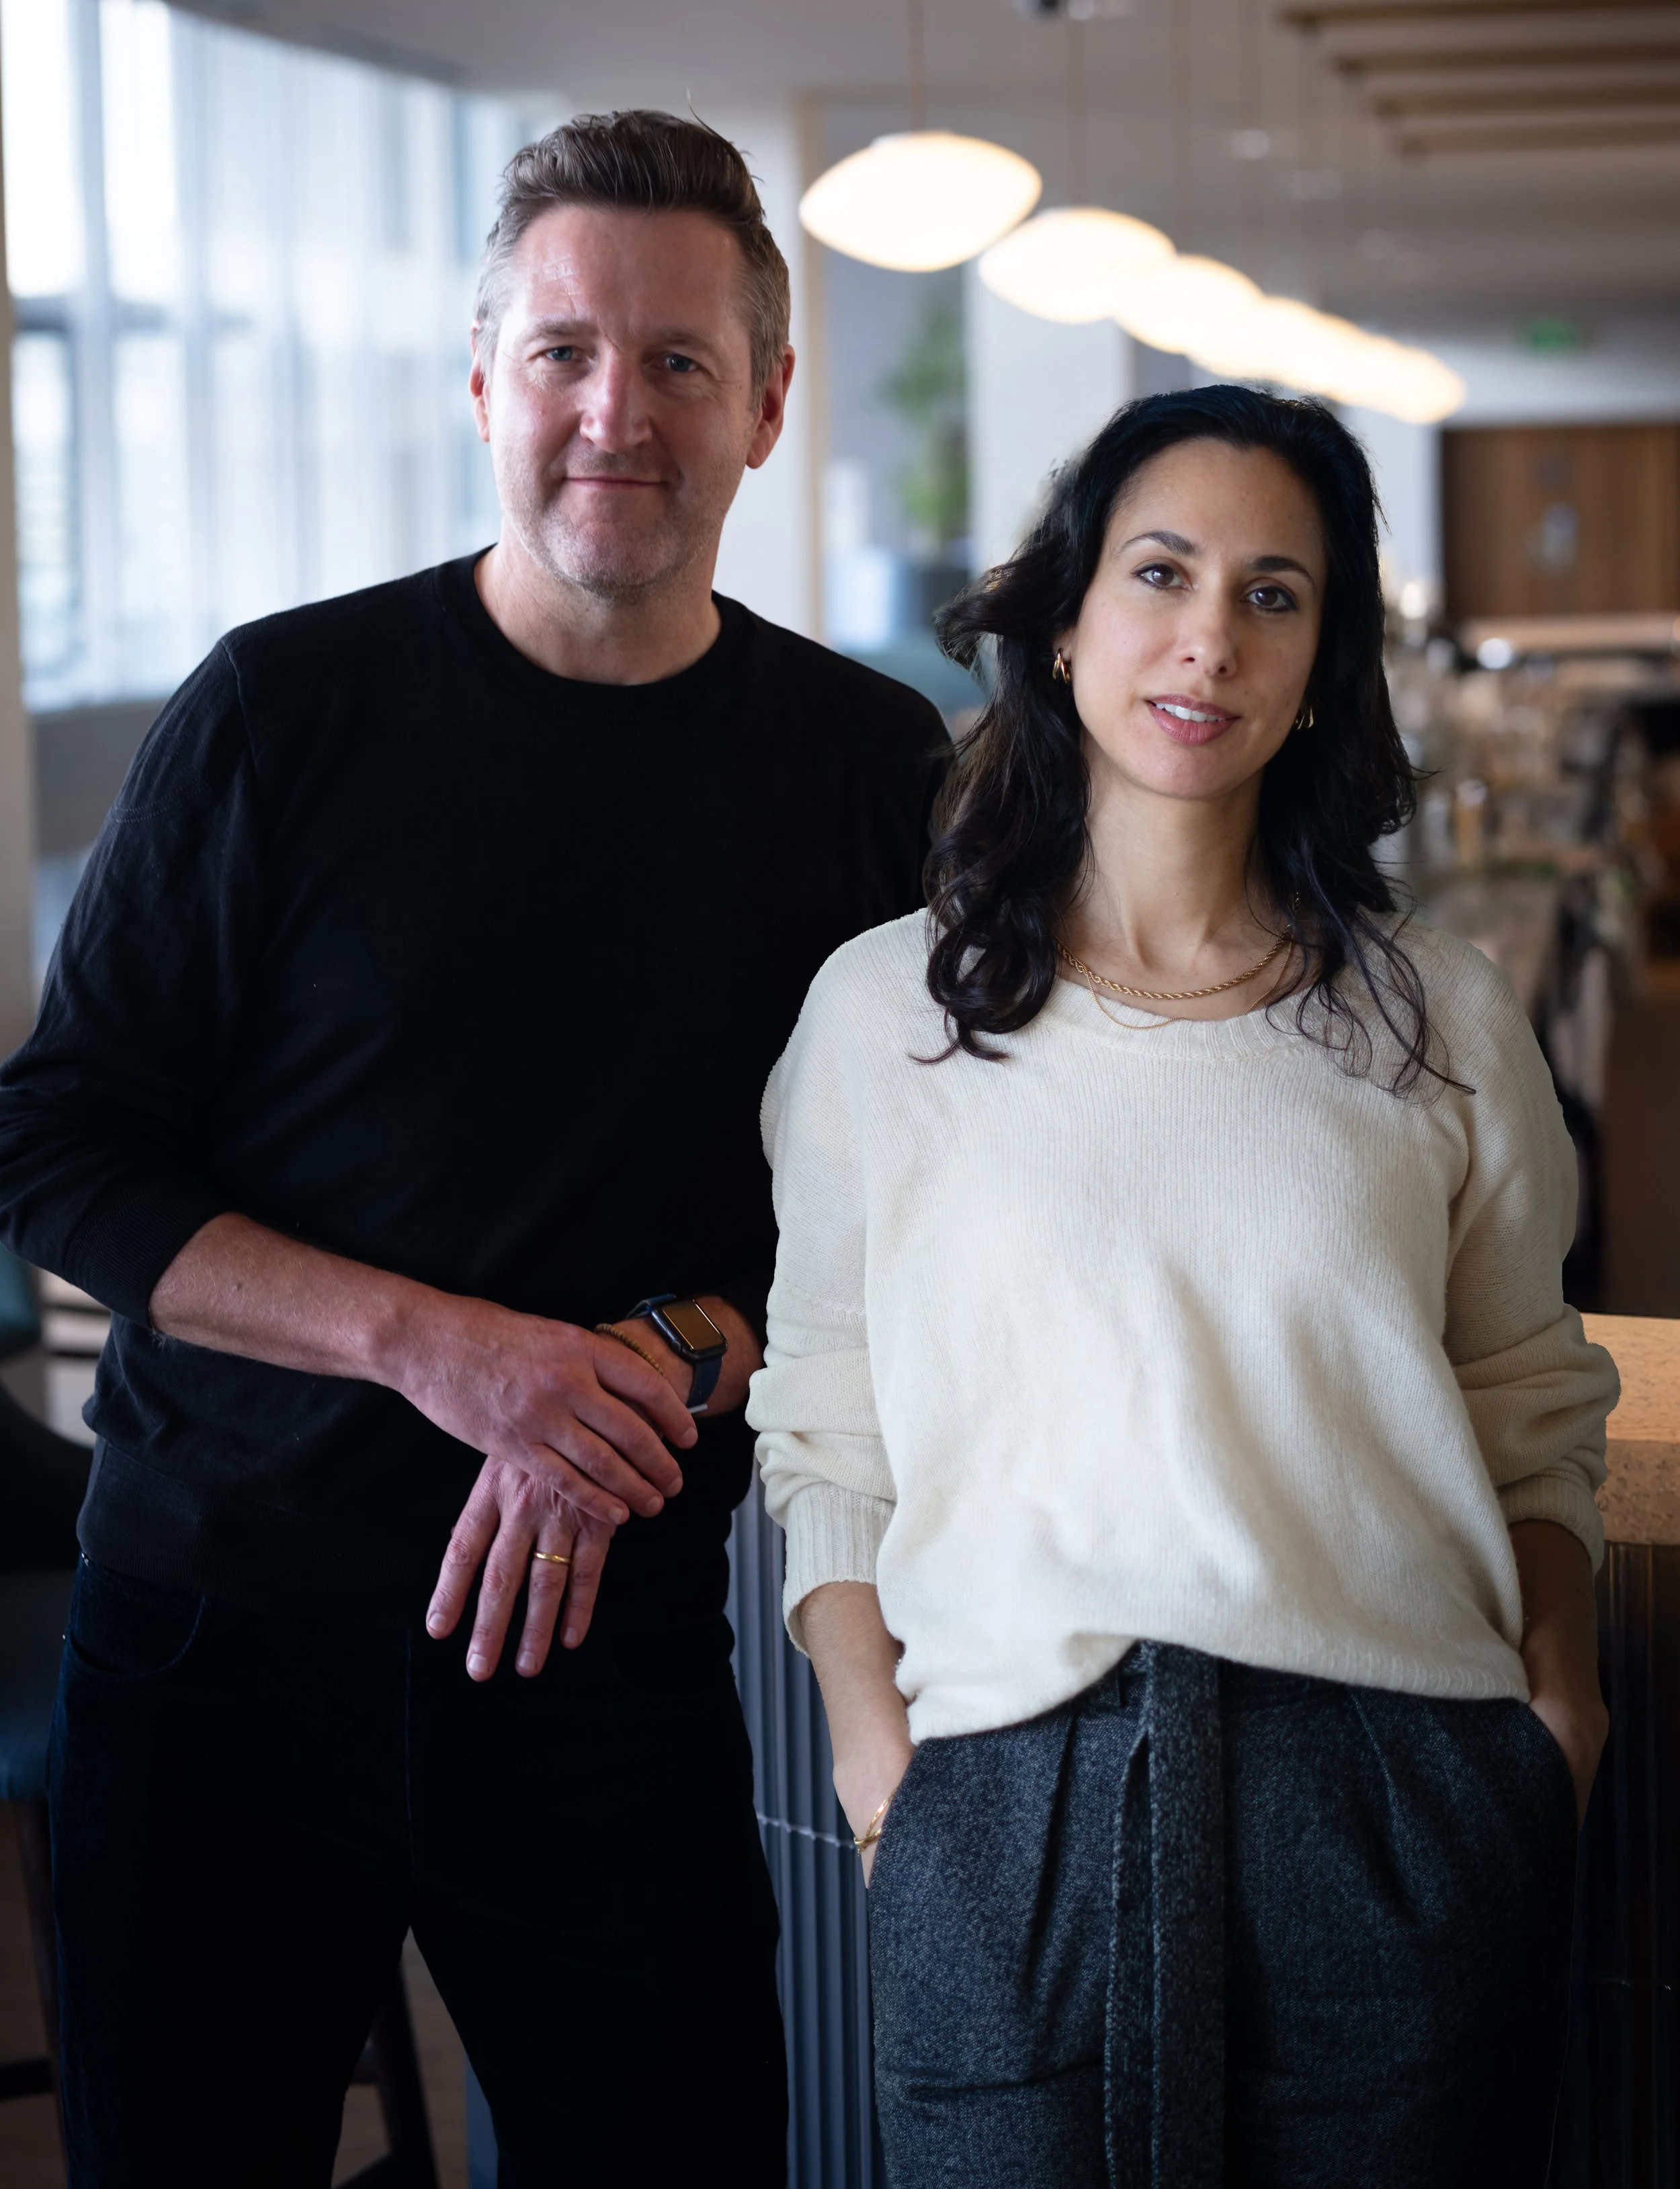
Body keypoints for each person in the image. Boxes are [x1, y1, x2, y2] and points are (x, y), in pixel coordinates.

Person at [0, 111, 945, 2187]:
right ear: (483, 381)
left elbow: (922, 1216)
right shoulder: (280, 711)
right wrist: (446, 1350)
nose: (618, 411)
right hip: (220, 1635)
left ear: (767, 404)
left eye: (681, 361)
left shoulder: (870, 771)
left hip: (606, 1662)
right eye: (564, 353)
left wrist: (681, 1344)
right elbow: (60, 1145)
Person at [748, 386, 1618, 2189]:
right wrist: (874, 1762)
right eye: (1162, 571)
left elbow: (1529, 1396)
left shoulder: (1436, 1014)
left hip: (1393, 1791)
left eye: (1274, 593)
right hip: (1006, 1815)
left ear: (1320, 665)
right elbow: (826, 1416)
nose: (1210, 635)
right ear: (1063, 621)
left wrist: (1553, 1713)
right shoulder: (877, 1014)